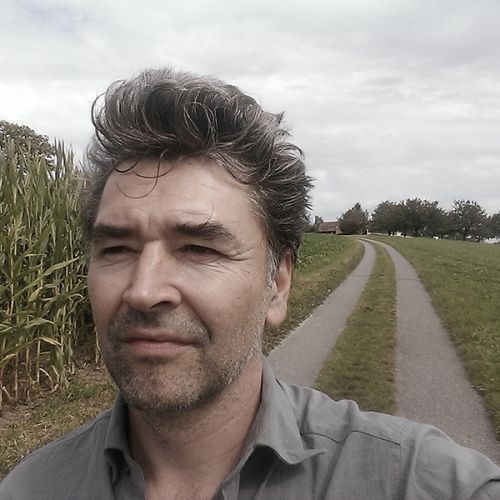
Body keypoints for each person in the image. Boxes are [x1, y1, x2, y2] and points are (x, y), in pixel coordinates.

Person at [1, 68, 499, 500]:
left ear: (277, 285)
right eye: (116, 249)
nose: (144, 290)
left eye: (199, 249)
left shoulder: (419, 480)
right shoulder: (30, 488)